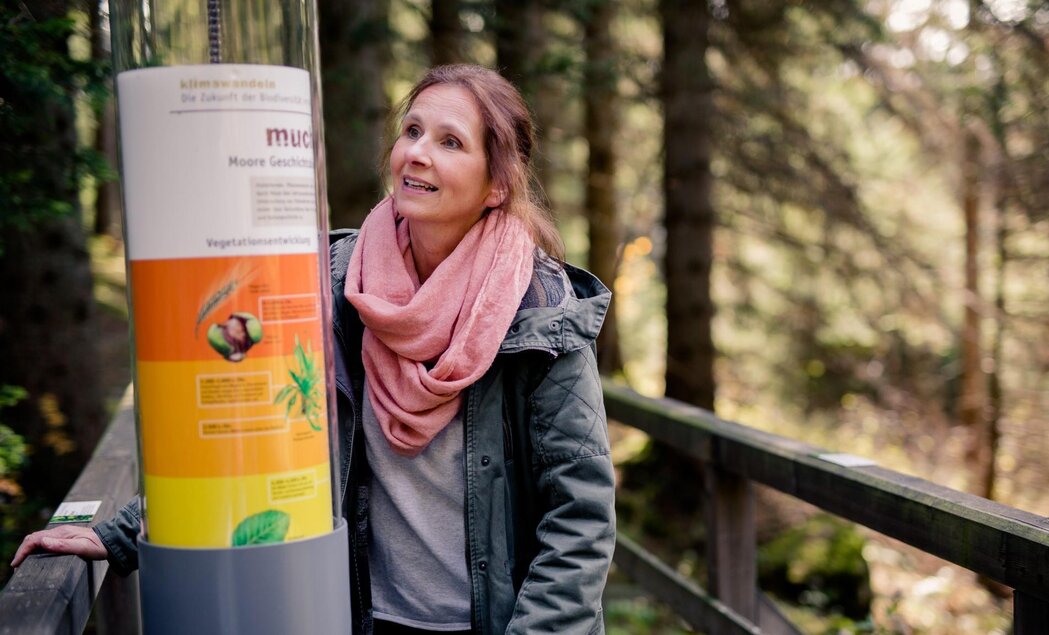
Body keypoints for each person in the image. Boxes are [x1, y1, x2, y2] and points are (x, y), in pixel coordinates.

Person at [11, 64, 616, 635]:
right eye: (412, 130)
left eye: (451, 142)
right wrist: (119, 535)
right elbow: (261, 436)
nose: (416, 153)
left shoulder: (541, 308)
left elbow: (579, 514)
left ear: (497, 184)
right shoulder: (336, 284)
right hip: (362, 615)